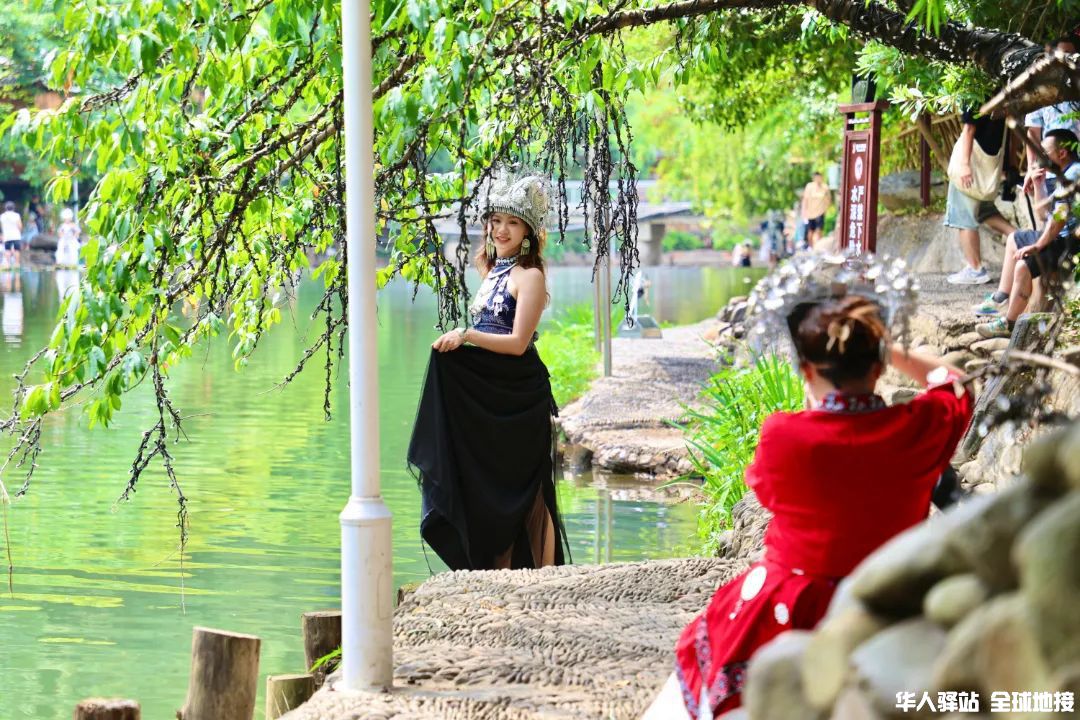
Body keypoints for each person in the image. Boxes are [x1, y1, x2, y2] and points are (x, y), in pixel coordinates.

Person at [645, 295, 973, 719]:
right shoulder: (918, 426)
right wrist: (889, 349)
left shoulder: (784, 435)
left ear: (806, 371)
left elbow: (769, 495)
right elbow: (957, 381)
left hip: (795, 602)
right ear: (878, 368)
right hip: (888, 595)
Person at [407, 169, 569, 571]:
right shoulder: (492, 271)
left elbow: (517, 343)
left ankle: (550, 578)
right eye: (496, 220)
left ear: (528, 231)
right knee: (491, 489)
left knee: (530, 490)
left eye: (512, 222)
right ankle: (498, 574)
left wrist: (466, 336)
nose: (501, 230)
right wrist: (458, 349)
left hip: (519, 395)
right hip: (491, 393)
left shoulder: (530, 276)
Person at [975, 128, 1080, 338]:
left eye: (1045, 152)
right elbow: (1044, 215)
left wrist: (1038, 245)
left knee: (1023, 266)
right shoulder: (1062, 172)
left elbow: (1058, 220)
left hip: (1069, 242)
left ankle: (1009, 323)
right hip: (1059, 237)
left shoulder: (1074, 174)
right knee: (1015, 238)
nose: (1040, 156)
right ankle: (1002, 297)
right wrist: (1039, 186)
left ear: (1062, 153)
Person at [945, 106, 1017, 285]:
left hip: (973, 164)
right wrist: (1010, 165)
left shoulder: (976, 93)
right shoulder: (1004, 96)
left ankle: (975, 268)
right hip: (989, 164)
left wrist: (964, 164)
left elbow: (969, 128)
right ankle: (1020, 238)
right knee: (985, 212)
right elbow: (1012, 133)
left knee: (963, 217)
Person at [1023, 35, 1080, 230]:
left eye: (1071, 54)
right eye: (1063, 54)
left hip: (1077, 168)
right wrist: (1031, 167)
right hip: (1052, 168)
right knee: (1051, 221)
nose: (1068, 58)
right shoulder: (1040, 89)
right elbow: (1033, 133)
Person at [800, 172, 831, 247]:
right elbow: (805, 200)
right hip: (810, 214)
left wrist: (825, 208)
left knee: (819, 231)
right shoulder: (809, 186)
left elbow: (828, 199)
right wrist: (804, 212)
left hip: (820, 213)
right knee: (811, 231)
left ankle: (818, 247)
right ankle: (811, 247)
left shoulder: (825, 187)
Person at [0, 202, 23, 269]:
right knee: (16, 250)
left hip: (7, 236)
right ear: (13, 208)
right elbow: (20, 226)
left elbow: (2, 226)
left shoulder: (2, 216)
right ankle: (17, 264)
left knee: (7, 250)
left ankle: (7, 264)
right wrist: (20, 232)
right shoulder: (16, 215)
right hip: (16, 235)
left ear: (5, 208)